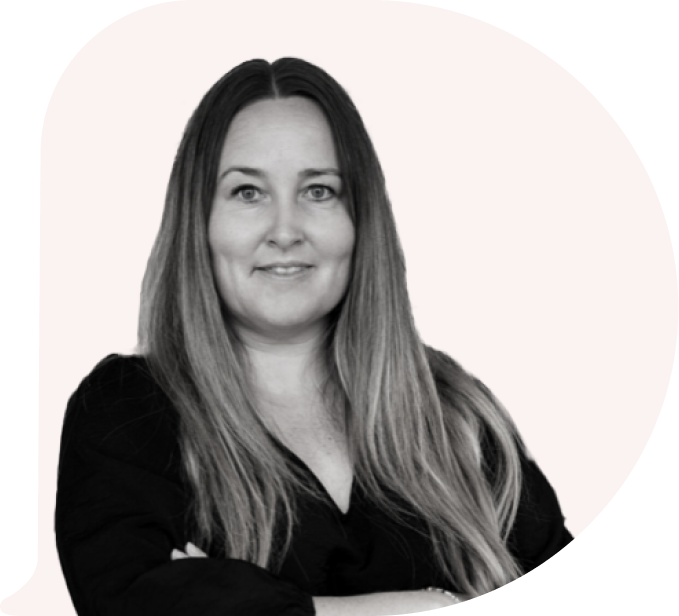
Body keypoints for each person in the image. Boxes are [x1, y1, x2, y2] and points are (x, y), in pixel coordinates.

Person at [55, 57, 573, 616]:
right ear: (199, 222)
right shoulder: (129, 412)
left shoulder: (455, 416)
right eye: (247, 192)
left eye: (319, 191)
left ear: (360, 220)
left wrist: (249, 601)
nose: (285, 230)